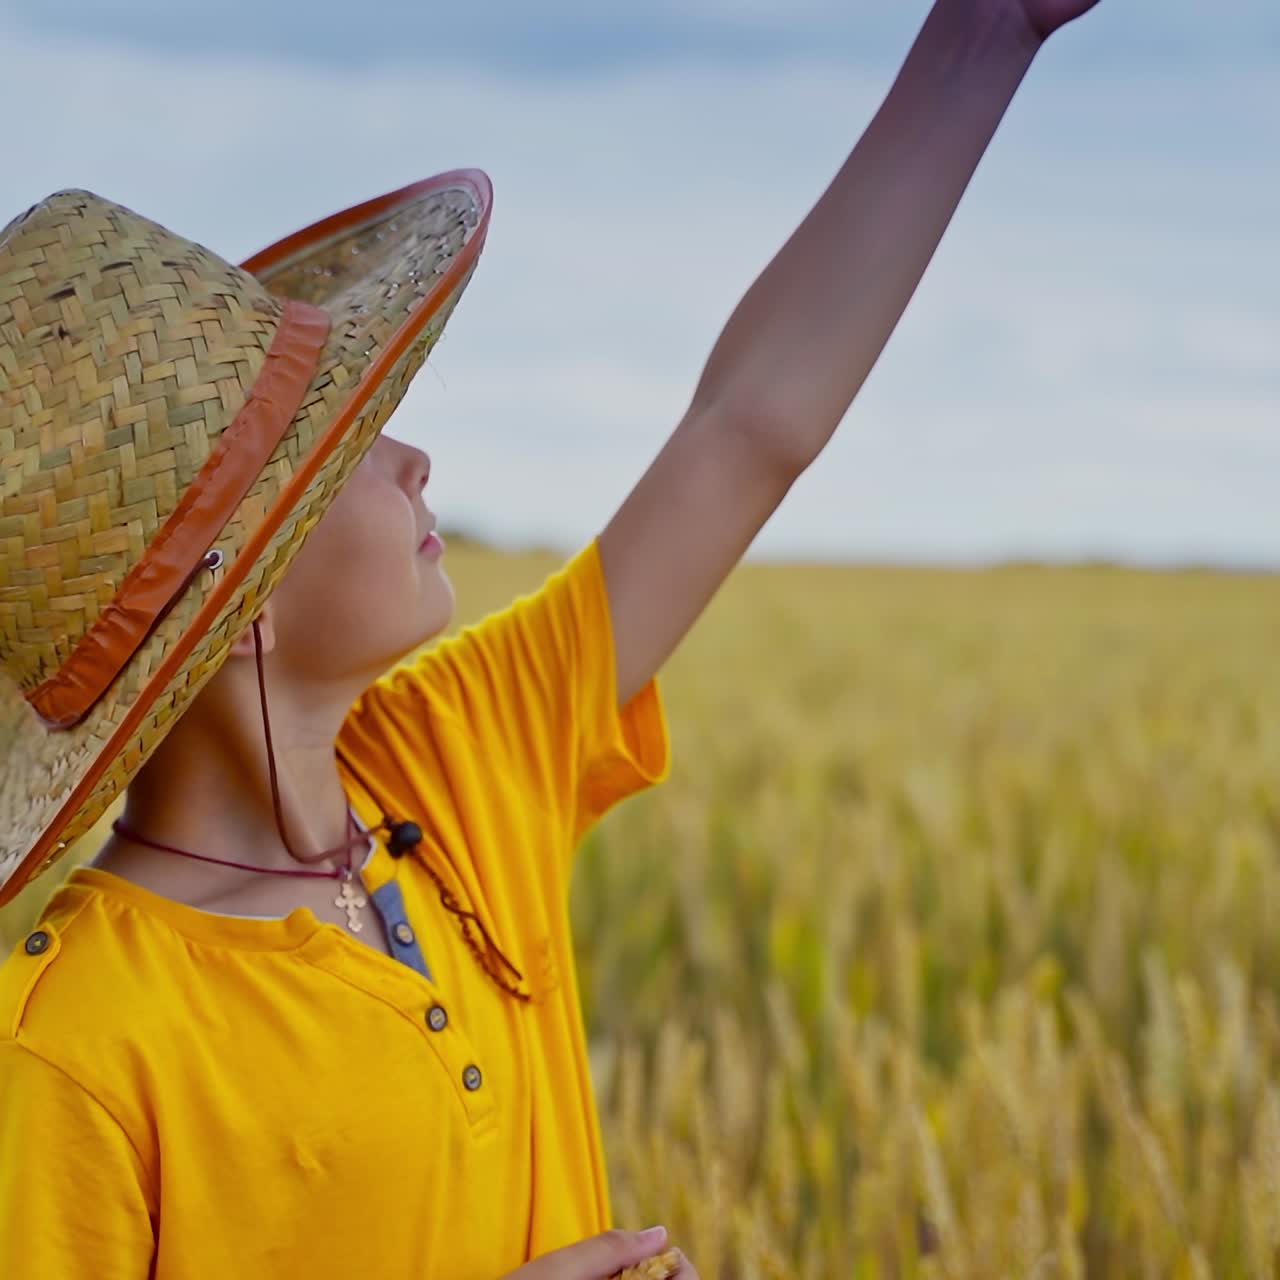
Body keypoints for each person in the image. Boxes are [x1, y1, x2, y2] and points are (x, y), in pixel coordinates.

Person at [0, 0, 1107, 1274]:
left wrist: (988, 33)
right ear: (233, 596)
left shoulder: (457, 755)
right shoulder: (76, 1040)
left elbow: (744, 428)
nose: (418, 460)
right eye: (353, 449)